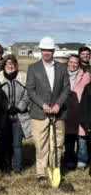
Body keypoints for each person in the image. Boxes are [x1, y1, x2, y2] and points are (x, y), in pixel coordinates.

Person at [26, 37, 70, 186]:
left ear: (53, 51)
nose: (46, 53)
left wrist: (58, 104)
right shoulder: (33, 68)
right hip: (40, 113)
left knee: (57, 143)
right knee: (41, 144)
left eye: (49, 50)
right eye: (44, 50)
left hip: (58, 113)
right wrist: (42, 104)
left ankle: (55, 168)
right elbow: (30, 90)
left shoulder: (62, 68)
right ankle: (41, 173)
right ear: (41, 51)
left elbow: (66, 89)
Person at [0, 54, 30, 174]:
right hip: (4, 116)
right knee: (4, 142)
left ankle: (17, 167)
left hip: (19, 115)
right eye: (7, 63)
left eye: (12, 63)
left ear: (16, 65)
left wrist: (19, 107)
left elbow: (28, 94)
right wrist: (7, 107)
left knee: (17, 144)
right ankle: (4, 167)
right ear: (3, 65)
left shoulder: (23, 77)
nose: (10, 66)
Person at [64, 54, 90, 170]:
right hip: (67, 110)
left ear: (79, 64)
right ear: (67, 63)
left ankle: (82, 159)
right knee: (69, 136)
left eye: (75, 62)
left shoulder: (86, 75)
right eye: (71, 62)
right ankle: (69, 158)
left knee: (82, 136)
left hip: (81, 109)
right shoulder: (62, 75)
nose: (73, 65)